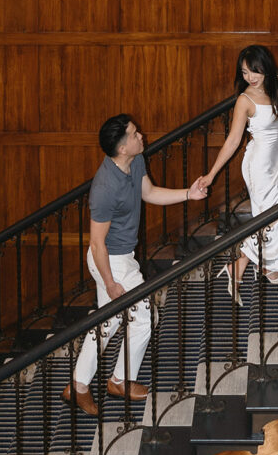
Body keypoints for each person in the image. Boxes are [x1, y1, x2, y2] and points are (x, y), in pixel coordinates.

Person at [62, 113, 207, 416]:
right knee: (143, 317)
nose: (141, 135)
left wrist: (188, 194)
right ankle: (117, 380)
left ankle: (79, 386)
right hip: (110, 262)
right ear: (122, 147)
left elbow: (149, 192)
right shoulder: (104, 188)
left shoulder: (135, 161)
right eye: (134, 134)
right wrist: (111, 282)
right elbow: (97, 244)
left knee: (109, 322)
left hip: (123, 257)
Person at [198, 46, 278, 304]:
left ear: (265, 67)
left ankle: (249, 266)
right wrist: (211, 174)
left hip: (277, 158)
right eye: (245, 72)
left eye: (254, 71)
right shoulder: (244, 101)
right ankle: (253, 265)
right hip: (258, 166)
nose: (250, 77)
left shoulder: (277, 84)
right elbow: (233, 141)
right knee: (269, 217)